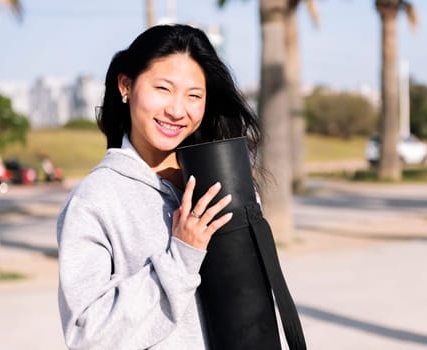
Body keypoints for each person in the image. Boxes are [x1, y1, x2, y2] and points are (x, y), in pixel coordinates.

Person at [57, 24, 277, 349]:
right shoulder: (95, 199)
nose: (177, 110)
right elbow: (88, 336)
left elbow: (254, 308)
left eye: (194, 95)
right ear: (126, 85)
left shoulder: (219, 179)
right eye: (163, 88)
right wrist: (181, 257)